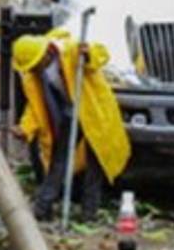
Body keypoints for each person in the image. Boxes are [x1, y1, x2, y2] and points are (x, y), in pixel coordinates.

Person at [13, 32, 131, 221]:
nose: (33, 69)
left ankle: (89, 213)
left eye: (35, 65)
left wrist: (88, 53)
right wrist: (25, 127)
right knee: (59, 161)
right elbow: (35, 106)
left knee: (95, 164)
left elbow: (102, 54)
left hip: (94, 112)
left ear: (46, 54)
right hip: (71, 113)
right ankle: (42, 208)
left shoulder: (70, 50)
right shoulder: (34, 75)